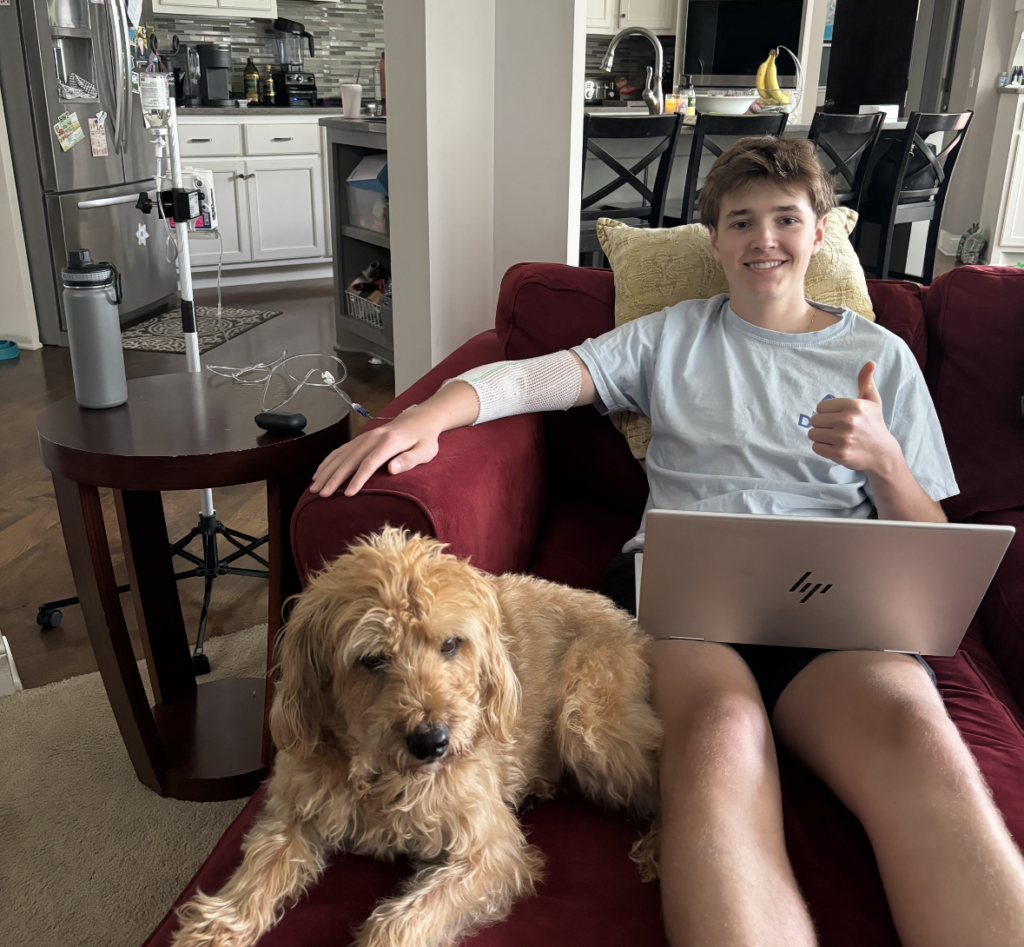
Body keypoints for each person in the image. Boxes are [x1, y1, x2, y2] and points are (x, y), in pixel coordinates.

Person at [308, 137, 1024, 946]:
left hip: (838, 613)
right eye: (741, 221)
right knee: (718, 742)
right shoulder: (673, 336)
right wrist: (426, 414)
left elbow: (933, 544)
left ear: (818, 232)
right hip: (692, 600)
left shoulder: (880, 356)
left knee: (920, 740)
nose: (764, 240)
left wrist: (885, 461)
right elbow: (537, 374)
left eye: (786, 219)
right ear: (713, 241)